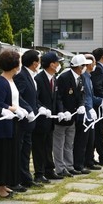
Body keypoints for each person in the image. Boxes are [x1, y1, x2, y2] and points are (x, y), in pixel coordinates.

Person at [0, 49, 28, 198]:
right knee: (3, 155)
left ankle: (5, 184)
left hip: (13, 122)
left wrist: (21, 109)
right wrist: (13, 109)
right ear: (14, 65)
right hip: (3, 124)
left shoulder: (12, 80)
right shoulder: (1, 82)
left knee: (11, 154)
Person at [54, 54, 87, 176]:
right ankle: (60, 168)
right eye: (83, 65)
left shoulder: (80, 77)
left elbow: (82, 94)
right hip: (63, 116)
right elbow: (59, 97)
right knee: (59, 144)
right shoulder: (64, 77)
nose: (85, 68)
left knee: (69, 143)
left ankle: (69, 165)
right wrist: (62, 110)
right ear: (78, 67)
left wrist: (81, 105)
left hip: (73, 116)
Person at [13, 49, 42, 187]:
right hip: (23, 120)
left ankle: (26, 178)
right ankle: (19, 178)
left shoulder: (30, 75)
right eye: (39, 61)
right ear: (34, 63)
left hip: (31, 120)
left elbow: (33, 97)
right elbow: (18, 96)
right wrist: (28, 109)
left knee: (26, 150)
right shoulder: (21, 76)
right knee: (20, 150)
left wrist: (39, 107)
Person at [32, 52, 60, 182]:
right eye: (57, 62)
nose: (59, 64)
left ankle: (49, 169)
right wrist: (41, 108)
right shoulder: (39, 79)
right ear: (51, 64)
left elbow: (57, 98)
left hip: (51, 119)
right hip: (41, 119)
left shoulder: (54, 78)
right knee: (39, 147)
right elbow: (35, 99)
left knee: (48, 145)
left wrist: (60, 111)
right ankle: (39, 173)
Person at [75, 54, 102, 172]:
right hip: (85, 112)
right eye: (92, 62)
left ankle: (89, 161)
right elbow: (84, 96)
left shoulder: (88, 77)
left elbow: (90, 96)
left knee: (90, 139)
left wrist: (101, 101)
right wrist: (88, 108)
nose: (94, 64)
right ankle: (80, 164)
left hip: (90, 111)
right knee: (83, 140)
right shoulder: (83, 77)